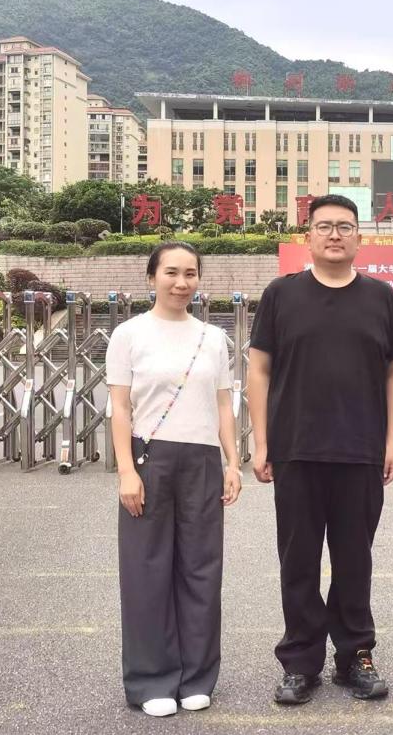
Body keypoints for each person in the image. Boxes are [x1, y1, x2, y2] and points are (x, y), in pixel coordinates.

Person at [248, 194, 393, 705]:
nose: (334, 234)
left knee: (354, 561)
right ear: (309, 236)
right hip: (296, 448)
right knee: (298, 561)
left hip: (360, 450)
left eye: (344, 226)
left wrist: (391, 440)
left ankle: (355, 655)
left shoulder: (381, 297)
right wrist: (261, 440)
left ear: (359, 236)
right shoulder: (281, 294)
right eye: (324, 226)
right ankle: (300, 662)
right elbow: (259, 369)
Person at [107, 241, 242, 718]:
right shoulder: (129, 334)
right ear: (151, 277)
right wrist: (126, 470)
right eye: (171, 273)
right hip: (150, 458)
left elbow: (223, 403)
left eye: (190, 273)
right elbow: (119, 406)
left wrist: (232, 461)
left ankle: (197, 676)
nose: (181, 283)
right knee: (146, 570)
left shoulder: (213, 337)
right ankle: (151, 679)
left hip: (203, 459)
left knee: (202, 568)